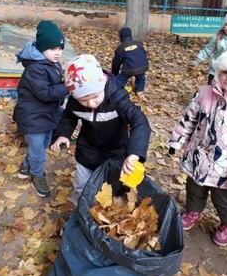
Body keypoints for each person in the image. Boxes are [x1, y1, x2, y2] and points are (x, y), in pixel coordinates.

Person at [169, 48, 227, 246]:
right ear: (218, 70)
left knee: (224, 198)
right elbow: (189, 119)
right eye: (225, 72)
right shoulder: (204, 94)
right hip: (198, 157)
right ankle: (193, 211)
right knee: (194, 189)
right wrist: (177, 141)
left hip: (225, 167)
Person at [51, 54, 151, 206]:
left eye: (95, 97)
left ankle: (105, 211)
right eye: (84, 100)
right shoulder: (75, 102)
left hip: (115, 151)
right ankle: (81, 211)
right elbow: (69, 117)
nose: (91, 103)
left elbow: (140, 122)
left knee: (112, 187)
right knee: (81, 186)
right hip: (87, 150)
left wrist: (134, 153)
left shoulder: (117, 98)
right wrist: (63, 134)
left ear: (102, 84)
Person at [13, 20, 68, 198]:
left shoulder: (52, 63)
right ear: (42, 48)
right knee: (39, 149)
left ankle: (26, 166)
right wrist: (67, 87)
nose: (58, 53)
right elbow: (45, 92)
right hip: (32, 117)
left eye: (60, 49)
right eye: (53, 49)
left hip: (46, 115)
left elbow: (54, 83)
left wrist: (63, 79)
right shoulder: (35, 68)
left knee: (43, 145)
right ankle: (38, 176)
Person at [191, 8, 227, 84]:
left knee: (226, 90)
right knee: (212, 88)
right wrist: (198, 60)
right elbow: (208, 49)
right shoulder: (217, 37)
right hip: (216, 69)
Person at [111, 27, 149, 94]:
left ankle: (115, 90)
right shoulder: (138, 44)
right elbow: (144, 54)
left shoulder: (121, 48)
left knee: (120, 79)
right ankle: (139, 91)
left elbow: (116, 63)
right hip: (143, 66)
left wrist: (114, 74)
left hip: (129, 68)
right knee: (141, 77)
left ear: (121, 37)